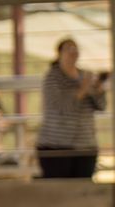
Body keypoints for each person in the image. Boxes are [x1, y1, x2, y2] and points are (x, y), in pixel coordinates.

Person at [36, 37, 106, 179]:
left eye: (75, 49)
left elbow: (101, 105)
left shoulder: (84, 75)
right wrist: (83, 88)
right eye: (69, 49)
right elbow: (61, 107)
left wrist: (98, 89)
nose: (73, 53)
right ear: (60, 54)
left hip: (85, 145)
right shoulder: (52, 78)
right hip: (56, 146)